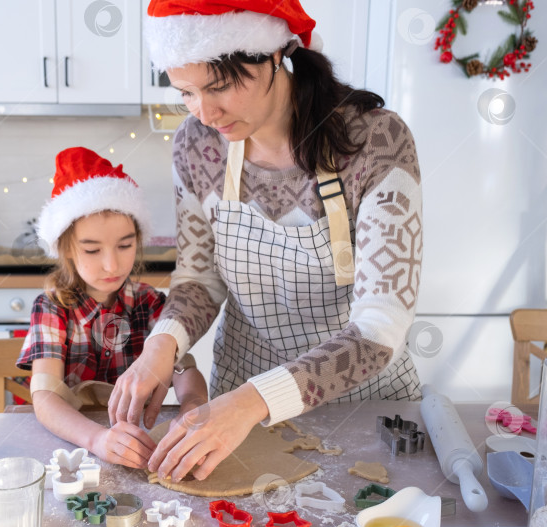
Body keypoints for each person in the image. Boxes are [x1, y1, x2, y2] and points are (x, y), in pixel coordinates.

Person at [108, 0, 424, 482]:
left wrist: (252, 402)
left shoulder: (374, 141)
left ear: (276, 53)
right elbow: (199, 279)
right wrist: (161, 347)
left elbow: (380, 328)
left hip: (364, 412)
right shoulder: (198, 145)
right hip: (235, 410)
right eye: (185, 93)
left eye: (220, 87)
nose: (205, 112)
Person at [16, 147, 208, 469]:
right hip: (70, 451)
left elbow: (184, 370)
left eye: (125, 245)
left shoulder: (149, 304)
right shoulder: (52, 308)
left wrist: (193, 405)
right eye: (92, 250)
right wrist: (97, 439)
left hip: (137, 447)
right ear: (66, 250)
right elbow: (46, 399)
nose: (112, 264)